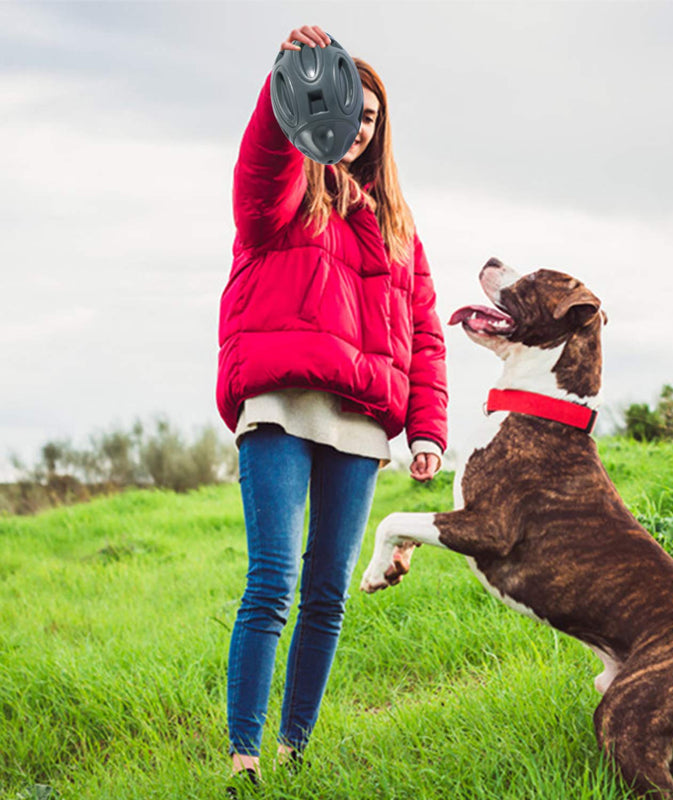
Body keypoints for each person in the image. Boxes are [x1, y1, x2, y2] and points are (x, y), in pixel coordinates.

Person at [216, 25, 448, 789]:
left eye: (374, 118)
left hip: (361, 424)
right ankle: (244, 762)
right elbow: (263, 165)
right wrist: (291, 78)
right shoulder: (284, 197)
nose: (361, 128)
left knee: (326, 596)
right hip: (281, 403)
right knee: (274, 580)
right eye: (352, 112)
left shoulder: (400, 227)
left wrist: (428, 431)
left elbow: (423, 331)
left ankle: (294, 753)